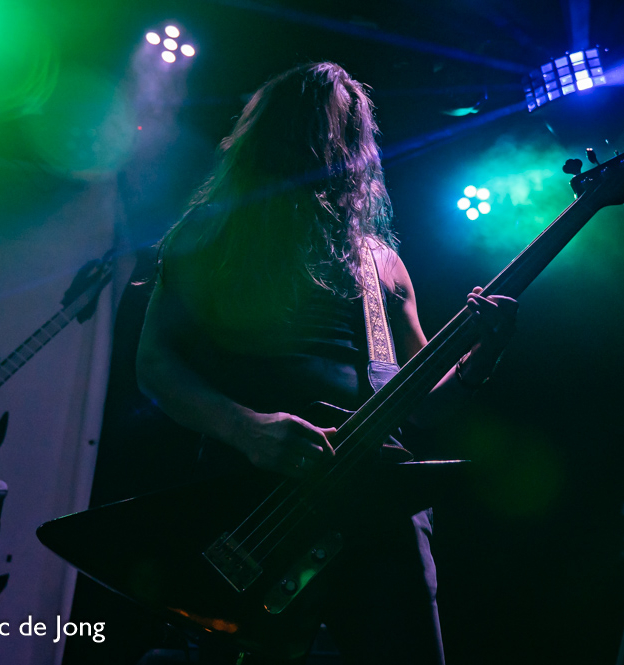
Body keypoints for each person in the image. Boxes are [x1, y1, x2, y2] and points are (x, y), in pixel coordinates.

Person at [135, 62, 517, 664]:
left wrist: (481, 354)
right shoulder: (210, 236)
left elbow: (423, 407)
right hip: (254, 505)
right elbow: (155, 364)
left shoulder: (380, 263)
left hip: (378, 505)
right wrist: (245, 429)